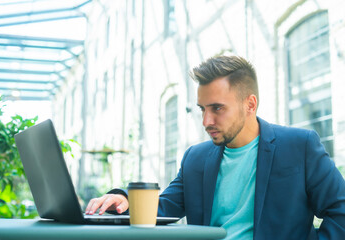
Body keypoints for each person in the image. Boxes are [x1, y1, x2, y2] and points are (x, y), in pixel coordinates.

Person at [86, 55, 345, 239]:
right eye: (202, 109)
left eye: (217, 108)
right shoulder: (195, 159)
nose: (206, 121)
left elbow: (341, 214)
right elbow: (163, 208)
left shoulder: (299, 146)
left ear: (250, 104)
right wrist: (124, 200)